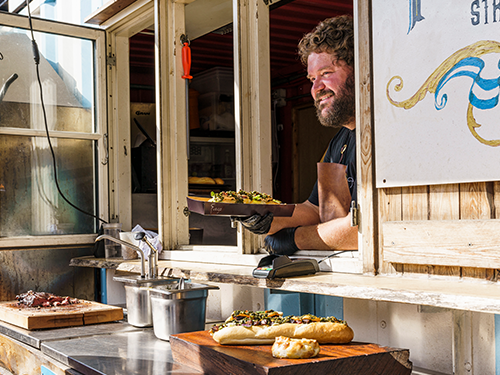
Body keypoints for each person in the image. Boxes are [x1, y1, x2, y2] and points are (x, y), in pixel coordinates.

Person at [235, 15, 358, 255]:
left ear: (360, 69)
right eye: (313, 79)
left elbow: (367, 226)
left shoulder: (387, 137)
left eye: (326, 72)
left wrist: (296, 239)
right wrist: (269, 218)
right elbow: (316, 209)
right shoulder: (340, 141)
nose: (316, 88)